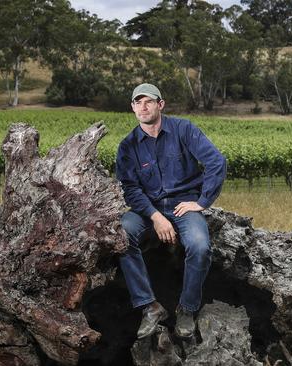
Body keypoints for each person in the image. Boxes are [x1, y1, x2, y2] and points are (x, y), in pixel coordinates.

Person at [115, 83, 226, 339]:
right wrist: (155, 217)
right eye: (137, 103)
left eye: (148, 102)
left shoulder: (183, 129)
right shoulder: (128, 146)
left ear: (160, 104)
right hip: (147, 209)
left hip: (182, 206)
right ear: (132, 107)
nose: (143, 107)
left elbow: (216, 162)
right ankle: (149, 306)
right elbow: (129, 188)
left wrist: (202, 202)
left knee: (199, 246)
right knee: (121, 235)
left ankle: (187, 308)